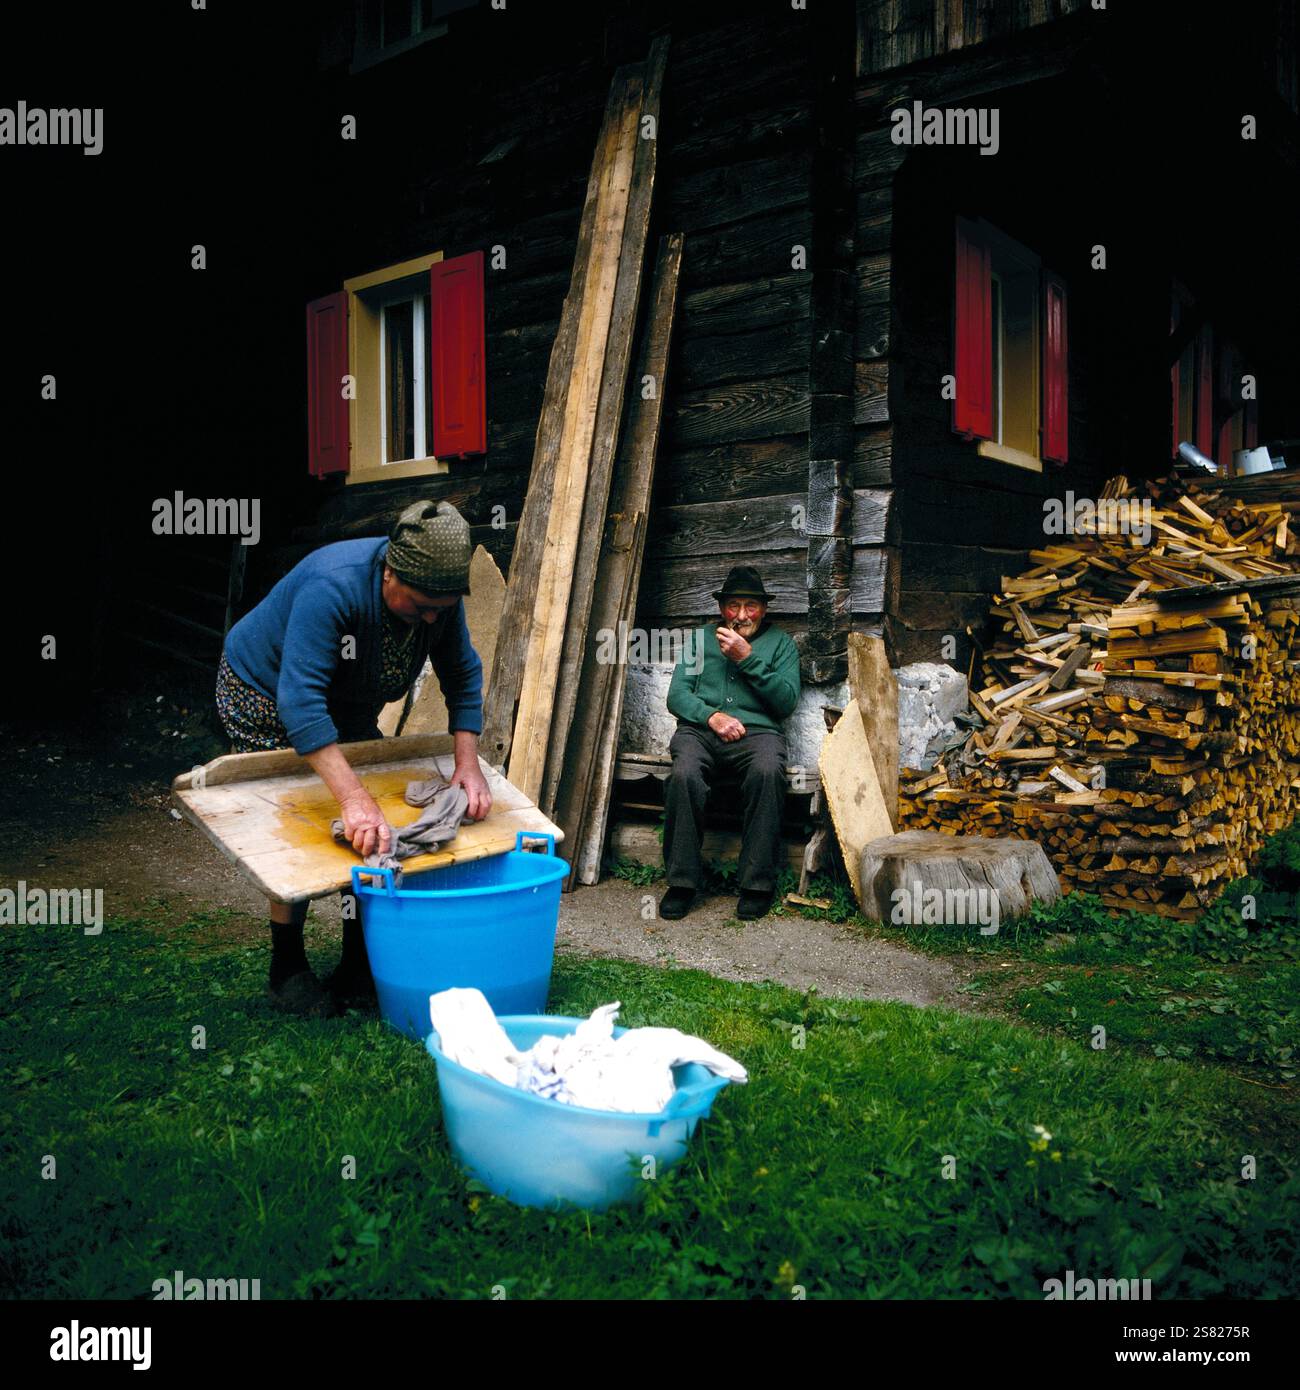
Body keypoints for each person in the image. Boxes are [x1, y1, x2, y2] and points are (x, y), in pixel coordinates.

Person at [216, 500, 492, 1016]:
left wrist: (468, 764)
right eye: (419, 605)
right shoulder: (333, 588)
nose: (431, 617)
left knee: (373, 826)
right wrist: (351, 795)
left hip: (343, 699)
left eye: (442, 607)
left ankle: (356, 963)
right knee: (298, 821)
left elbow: (463, 675)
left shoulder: (439, 604)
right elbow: (299, 701)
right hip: (263, 690)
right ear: (390, 572)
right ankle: (288, 969)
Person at [658, 565, 801, 922]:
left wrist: (746, 658)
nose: (741, 616)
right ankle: (682, 883)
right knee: (685, 774)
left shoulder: (781, 644)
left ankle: (756, 885)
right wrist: (712, 717)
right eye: (733, 606)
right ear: (721, 608)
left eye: (750, 606)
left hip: (758, 735)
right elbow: (677, 696)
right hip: (700, 732)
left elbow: (785, 702)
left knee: (768, 772)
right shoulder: (699, 640)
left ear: (763, 610)